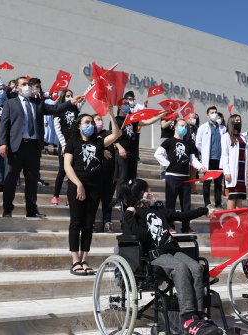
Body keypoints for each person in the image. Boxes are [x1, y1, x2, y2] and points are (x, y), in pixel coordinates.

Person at [119, 179, 222, 335]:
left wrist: (204, 210)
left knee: (196, 267)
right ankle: (188, 319)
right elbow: (140, 236)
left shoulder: (159, 209)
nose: (151, 192)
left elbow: (182, 215)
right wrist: (128, 214)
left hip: (173, 250)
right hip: (155, 255)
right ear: (142, 194)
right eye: (148, 190)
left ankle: (199, 316)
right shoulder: (135, 215)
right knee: (180, 268)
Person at [0, 76, 84, 218]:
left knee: (32, 180)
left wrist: (71, 102)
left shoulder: (38, 103)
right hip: (16, 147)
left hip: (33, 147)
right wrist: (3, 143)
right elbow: (5, 124)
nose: (27, 86)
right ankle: (7, 208)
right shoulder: (10, 103)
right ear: (18, 88)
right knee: (10, 179)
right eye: (24, 84)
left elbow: (55, 108)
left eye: (28, 84)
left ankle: (31, 209)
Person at [65, 107, 120, 275]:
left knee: (89, 224)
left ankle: (84, 259)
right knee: (76, 223)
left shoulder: (98, 141)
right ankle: (75, 261)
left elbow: (117, 135)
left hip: (95, 188)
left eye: (92, 122)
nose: (90, 125)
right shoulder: (72, 142)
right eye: (86, 122)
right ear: (79, 126)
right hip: (77, 187)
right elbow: (67, 165)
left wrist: (110, 113)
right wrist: (78, 184)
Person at [154, 119, 205, 234]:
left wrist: (200, 167)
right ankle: (169, 226)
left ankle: (186, 227)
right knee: (170, 203)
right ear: (175, 127)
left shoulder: (189, 144)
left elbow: (193, 160)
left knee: (186, 204)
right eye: (182, 126)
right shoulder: (169, 141)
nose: (184, 128)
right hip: (172, 176)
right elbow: (157, 154)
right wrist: (168, 164)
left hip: (185, 178)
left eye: (186, 127)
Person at [113, 93, 163, 205]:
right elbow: (113, 137)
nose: (128, 105)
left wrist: (160, 115)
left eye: (128, 104)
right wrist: (120, 148)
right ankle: (119, 200)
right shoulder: (116, 120)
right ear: (120, 106)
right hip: (122, 152)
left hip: (133, 152)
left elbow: (147, 122)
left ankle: (130, 199)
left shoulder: (133, 119)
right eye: (125, 104)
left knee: (132, 178)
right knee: (122, 178)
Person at [52, 89, 79, 206]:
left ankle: (70, 197)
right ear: (63, 98)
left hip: (74, 143)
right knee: (62, 171)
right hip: (64, 143)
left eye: (71, 95)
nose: (70, 97)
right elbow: (57, 129)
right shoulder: (58, 110)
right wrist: (63, 145)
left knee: (73, 171)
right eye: (68, 96)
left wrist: (92, 85)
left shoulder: (75, 108)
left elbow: (84, 96)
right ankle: (55, 196)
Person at [195, 107, 225, 208]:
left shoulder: (222, 128)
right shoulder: (203, 127)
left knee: (218, 183)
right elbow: (198, 143)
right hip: (208, 159)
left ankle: (218, 203)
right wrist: (205, 152)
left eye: (216, 112)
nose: (214, 114)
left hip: (220, 160)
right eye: (212, 112)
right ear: (207, 115)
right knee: (207, 182)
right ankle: (207, 203)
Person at [94, 114, 116, 232]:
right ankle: (91, 223)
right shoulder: (89, 137)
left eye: (101, 119)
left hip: (108, 174)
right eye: (97, 119)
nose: (100, 121)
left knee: (107, 202)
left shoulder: (106, 134)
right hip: (95, 175)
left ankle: (107, 223)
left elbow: (115, 136)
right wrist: (101, 151)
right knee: (93, 201)